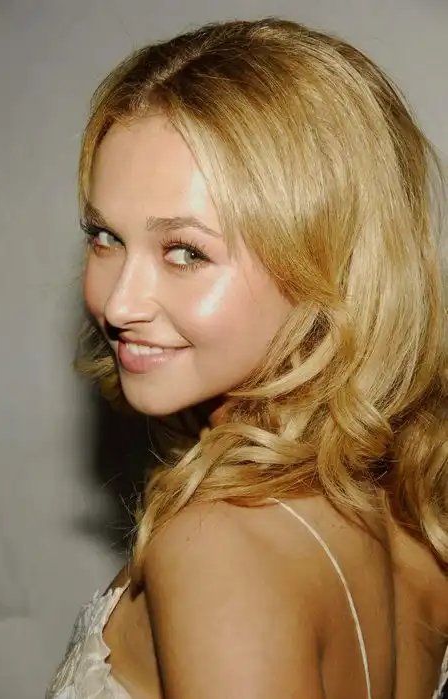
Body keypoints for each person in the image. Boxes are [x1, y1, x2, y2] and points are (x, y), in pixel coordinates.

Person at [46, 17, 448, 699]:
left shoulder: (214, 548)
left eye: (185, 251)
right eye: (106, 237)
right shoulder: (412, 511)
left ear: (328, 265)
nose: (117, 304)